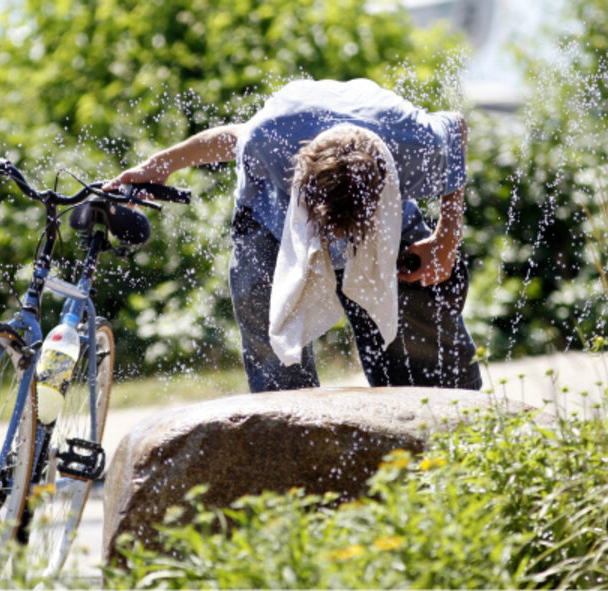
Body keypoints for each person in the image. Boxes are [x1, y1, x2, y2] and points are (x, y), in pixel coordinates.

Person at [105, 78, 482, 393]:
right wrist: (160, 165)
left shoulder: (415, 143)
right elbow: (233, 139)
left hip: (382, 212)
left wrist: (446, 239)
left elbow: (457, 126)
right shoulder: (270, 139)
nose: (333, 241)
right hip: (270, 219)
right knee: (264, 308)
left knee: (422, 329)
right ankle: (287, 436)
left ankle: (452, 422)